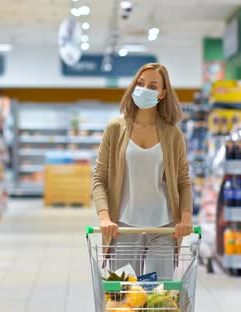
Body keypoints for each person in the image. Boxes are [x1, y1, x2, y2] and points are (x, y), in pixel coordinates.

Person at [92, 63, 193, 278]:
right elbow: (99, 178)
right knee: (126, 299)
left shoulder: (173, 134)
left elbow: (183, 181)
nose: (144, 89)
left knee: (160, 297)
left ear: (162, 94)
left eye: (152, 86)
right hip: (124, 227)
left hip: (164, 228)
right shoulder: (115, 129)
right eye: (140, 83)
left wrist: (185, 219)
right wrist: (104, 218)